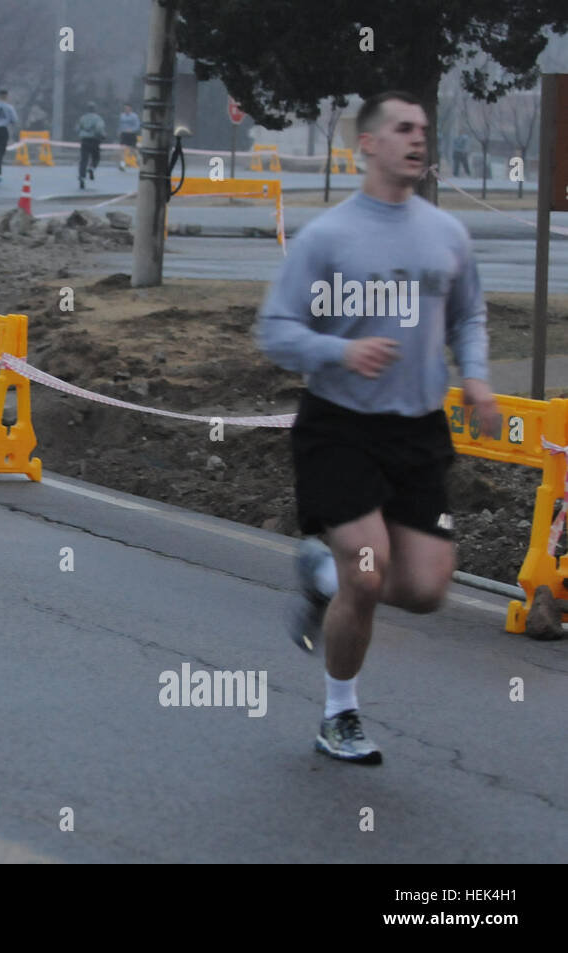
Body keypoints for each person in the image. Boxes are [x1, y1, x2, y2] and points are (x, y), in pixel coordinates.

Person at [257, 91, 498, 765]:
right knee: (368, 570)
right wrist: (341, 351)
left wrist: (475, 375)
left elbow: (469, 316)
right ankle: (340, 715)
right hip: (340, 426)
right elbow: (274, 330)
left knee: (424, 590)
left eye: (423, 129)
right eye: (402, 129)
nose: (418, 140)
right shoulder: (328, 237)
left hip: (417, 430)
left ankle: (320, 575)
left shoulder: (446, 233)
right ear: (368, 144)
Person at [76, 101, 106, 189]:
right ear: (95, 109)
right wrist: (102, 136)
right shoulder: (98, 118)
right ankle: (92, 168)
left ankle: (82, 177)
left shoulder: (82, 118)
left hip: (84, 140)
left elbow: (77, 128)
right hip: (94, 140)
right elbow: (99, 129)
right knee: (96, 157)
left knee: (83, 160)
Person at [117, 103, 140, 171]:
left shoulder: (134, 116)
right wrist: (119, 131)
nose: (126, 109)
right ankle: (122, 165)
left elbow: (137, 125)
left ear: (130, 108)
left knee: (133, 150)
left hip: (131, 135)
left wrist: (132, 130)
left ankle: (139, 162)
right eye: (125, 108)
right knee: (122, 149)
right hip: (124, 135)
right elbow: (120, 125)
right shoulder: (122, 116)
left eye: (128, 108)